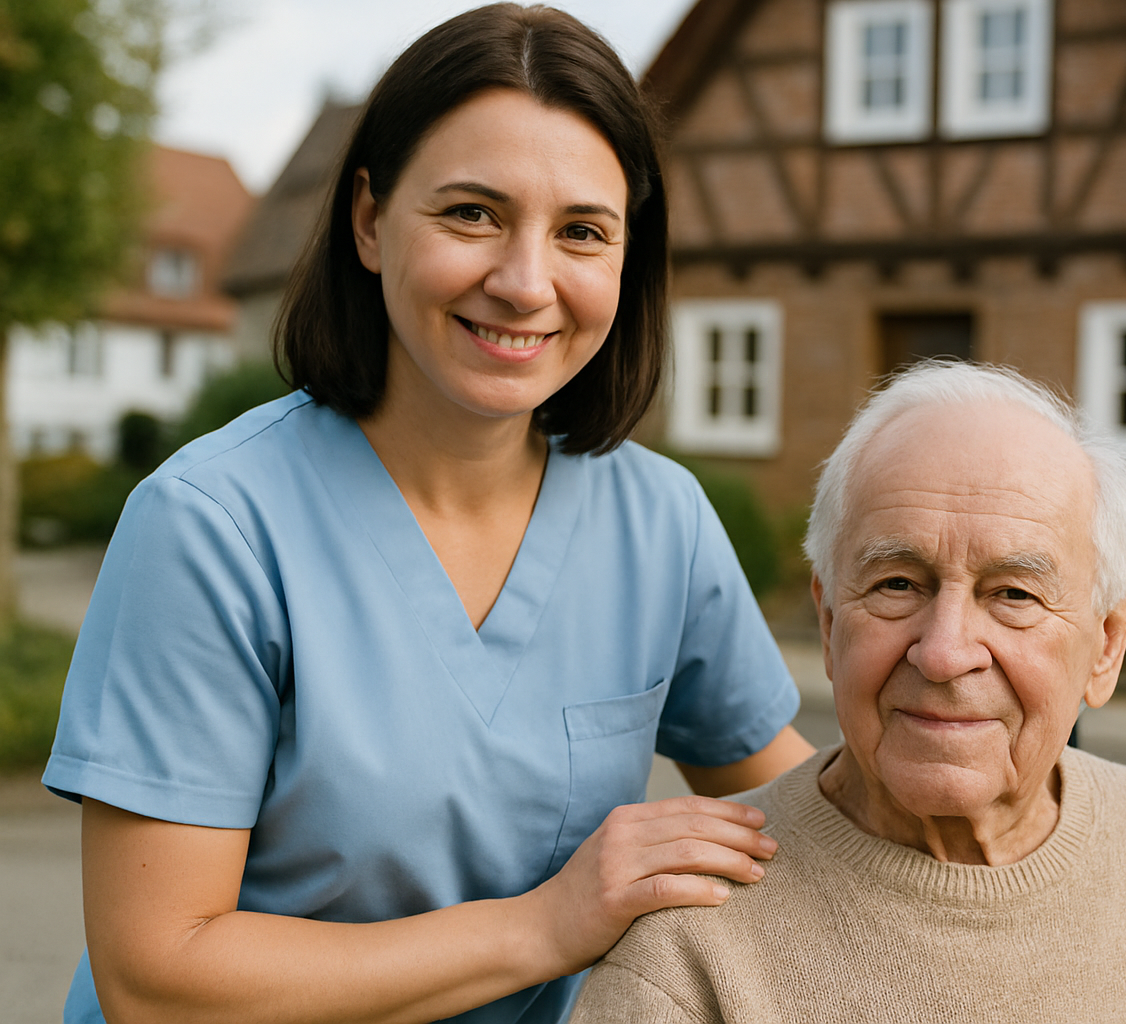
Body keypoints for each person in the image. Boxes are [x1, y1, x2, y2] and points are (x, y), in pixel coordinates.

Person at [42, 6, 814, 1023]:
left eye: (582, 231)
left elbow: (806, 824)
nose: (525, 281)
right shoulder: (210, 526)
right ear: (368, 220)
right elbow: (159, 975)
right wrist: (547, 923)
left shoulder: (659, 522)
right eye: (472, 214)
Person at [570, 361, 1126, 1024]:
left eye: (1013, 594)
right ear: (829, 616)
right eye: (898, 582)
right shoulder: (685, 953)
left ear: (1108, 640)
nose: (945, 653)